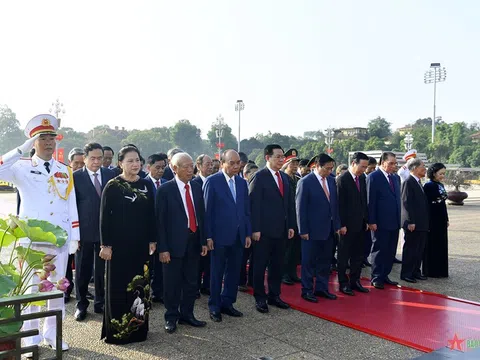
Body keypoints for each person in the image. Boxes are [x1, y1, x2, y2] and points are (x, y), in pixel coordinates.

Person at [0, 114, 80, 351]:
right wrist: (19, 149)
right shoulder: (22, 167)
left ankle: (53, 335)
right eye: (42, 138)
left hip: (60, 240)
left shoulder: (64, 170)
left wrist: (75, 236)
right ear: (33, 142)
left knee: (57, 290)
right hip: (32, 241)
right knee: (32, 290)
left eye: (51, 138)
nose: (48, 143)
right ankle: (30, 337)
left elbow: (71, 203)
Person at [99, 146, 156, 344]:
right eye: (130, 161)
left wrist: (153, 239)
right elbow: (104, 217)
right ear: (120, 163)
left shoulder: (147, 185)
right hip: (118, 247)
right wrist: (105, 245)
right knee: (118, 287)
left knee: (140, 287)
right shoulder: (113, 186)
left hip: (141, 247)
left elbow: (151, 216)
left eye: (137, 160)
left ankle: (138, 330)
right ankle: (118, 331)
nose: (135, 164)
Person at [157, 153, 208, 333]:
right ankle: (171, 316)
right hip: (172, 245)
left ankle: (188, 314)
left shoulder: (196, 187)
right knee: (172, 283)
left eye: (191, 165)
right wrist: (162, 248)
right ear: (174, 168)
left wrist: (203, 241)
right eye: (185, 166)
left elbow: (201, 216)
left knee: (191, 282)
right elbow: (160, 222)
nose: (189, 169)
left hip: (193, 242)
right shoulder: (165, 190)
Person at [204, 150, 252, 322]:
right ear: (222, 163)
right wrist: (208, 236)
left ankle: (228, 303)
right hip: (219, 237)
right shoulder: (212, 181)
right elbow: (207, 213)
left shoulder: (241, 183)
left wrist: (247, 233)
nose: (236, 166)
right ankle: (214, 306)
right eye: (231, 163)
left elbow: (246, 211)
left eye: (238, 162)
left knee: (233, 272)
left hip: (238, 236)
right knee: (216, 273)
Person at [249, 144, 296, 313]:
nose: (281, 160)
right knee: (260, 266)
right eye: (277, 157)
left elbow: (289, 204)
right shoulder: (259, 177)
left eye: (282, 157)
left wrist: (291, 225)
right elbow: (254, 205)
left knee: (278, 265)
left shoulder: (284, 178)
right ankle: (260, 297)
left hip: (282, 231)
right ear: (267, 158)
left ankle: (274, 295)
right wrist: (255, 229)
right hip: (263, 232)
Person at [73, 143, 115, 321]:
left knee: (102, 270)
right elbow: (71, 207)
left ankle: (100, 302)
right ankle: (81, 304)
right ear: (85, 158)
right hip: (83, 233)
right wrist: (74, 234)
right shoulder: (75, 177)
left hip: (105, 233)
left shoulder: (110, 175)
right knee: (82, 271)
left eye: (100, 158)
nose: (97, 162)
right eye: (93, 158)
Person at [296, 154, 341, 303]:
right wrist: (303, 230)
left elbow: (334, 206)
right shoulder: (305, 182)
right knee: (309, 262)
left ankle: (322, 288)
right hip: (311, 230)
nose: (329, 171)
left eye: (331, 168)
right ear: (317, 165)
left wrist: (337, 226)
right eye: (327, 168)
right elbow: (300, 208)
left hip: (328, 229)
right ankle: (307, 290)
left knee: (325, 261)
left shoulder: (331, 181)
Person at [336, 152, 370, 295]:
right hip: (347, 226)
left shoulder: (362, 178)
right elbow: (339, 204)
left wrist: (367, 220)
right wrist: (341, 224)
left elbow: (364, 201)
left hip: (361, 225)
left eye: (366, 167)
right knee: (344, 256)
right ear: (353, 163)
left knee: (358, 255)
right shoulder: (342, 179)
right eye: (362, 166)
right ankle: (343, 283)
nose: (364, 169)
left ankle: (355, 281)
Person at [367, 152, 401, 289]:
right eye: (391, 163)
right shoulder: (373, 177)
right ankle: (376, 276)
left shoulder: (395, 178)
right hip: (380, 222)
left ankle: (385, 274)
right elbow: (371, 201)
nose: (394, 166)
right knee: (379, 249)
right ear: (383, 162)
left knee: (390, 250)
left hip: (394, 221)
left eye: (395, 163)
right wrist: (371, 220)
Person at [400, 158, 429, 283]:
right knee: (411, 249)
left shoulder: (418, 182)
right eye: (423, 166)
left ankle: (415, 271)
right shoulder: (408, 182)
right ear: (415, 168)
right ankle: (407, 273)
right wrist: (410, 221)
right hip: (413, 223)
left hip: (422, 223)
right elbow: (406, 204)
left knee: (419, 249)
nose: (425, 169)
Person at [144, 153, 167, 303]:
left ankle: (158, 292)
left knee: (161, 264)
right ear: (148, 167)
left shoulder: (167, 183)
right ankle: (145, 294)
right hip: (146, 231)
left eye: (163, 167)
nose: (160, 170)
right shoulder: (142, 183)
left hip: (163, 231)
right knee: (147, 265)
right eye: (157, 167)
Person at [64, 147, 86, 303]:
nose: (78, 166)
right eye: (75, 163)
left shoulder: (86, 179)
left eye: (81, 163)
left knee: (81, 262)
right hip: (66, 225)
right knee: (66, 260)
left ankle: (82, 290)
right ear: (69, 163)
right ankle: (66, 289)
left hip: (83, 227)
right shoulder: (63, 178)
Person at [192, 154, 214, 297]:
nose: (210, 167)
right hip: (197, 229)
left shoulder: (214, 181)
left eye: (211, 164)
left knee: (209, 261)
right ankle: (194, 287)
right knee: (197, 261)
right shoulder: (194, 183)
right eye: (207, 164)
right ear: (198, 166)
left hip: (211, 227)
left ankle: (207, 285)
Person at [423, 163, 449, 278]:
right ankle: (431, 270)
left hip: (441, 218)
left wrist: (446, 218)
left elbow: (443, 204)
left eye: (444, 173)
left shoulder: (440, 185)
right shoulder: (429, 186)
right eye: (440, 173)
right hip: (433, 219)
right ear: (434, 173)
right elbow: (428, 204)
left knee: (441, 244)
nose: (442, 176)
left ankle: (441, 270)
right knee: (432, 244)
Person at [280, 149, 302, 285]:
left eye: (296, 164)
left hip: (297, 218)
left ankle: (292, 272)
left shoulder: (297, 179)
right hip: (286, 219)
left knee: (295, 249)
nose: (294, 166)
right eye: (292, 164)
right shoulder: (283, 179)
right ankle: (284, 274)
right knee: (286, 250)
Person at [238, 162, 259, 291]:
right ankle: (241, 281)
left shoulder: (257, 185)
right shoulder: (242, 185)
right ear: (246, 174)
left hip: (255, 227)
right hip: (244, 227)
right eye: (253, 173)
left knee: (255, 256)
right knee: (243, 256)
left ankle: (252, 280)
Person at [363, 156, 378, 266]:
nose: (373, 170)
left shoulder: (372, 178)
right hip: (363, 216)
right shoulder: (362, 178)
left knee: (369, 241)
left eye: (374, 168)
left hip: (371, 216)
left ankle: (365, 258)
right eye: (371, 167)